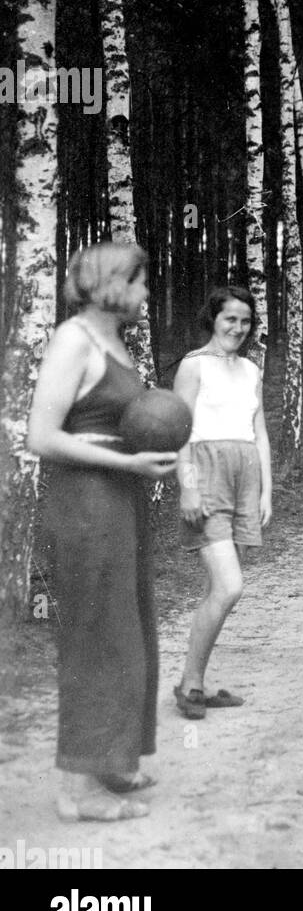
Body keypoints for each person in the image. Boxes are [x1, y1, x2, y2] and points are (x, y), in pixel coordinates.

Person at [27, 243, 176, 821]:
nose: (146, 294)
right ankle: (77, 789)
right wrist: (129, 464)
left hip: (121, 499)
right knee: (96, 632)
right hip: (87, 504)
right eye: (141, 284)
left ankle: (111, 759)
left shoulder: (114, 341)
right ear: (115, 284)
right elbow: (41, 435)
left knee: (127, 625)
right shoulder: (73, 340)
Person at [172, 285, 272, 719]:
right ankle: (190, 683)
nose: (238, 328)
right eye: (230, 318)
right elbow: (178, 432)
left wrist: (266, 489)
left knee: (222, 589)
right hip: (207, 475)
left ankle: (196, 680)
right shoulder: (194, 366)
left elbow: (260, 430)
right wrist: (188, 486)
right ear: (213, 318)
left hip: (245, 475)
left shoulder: (251, 369)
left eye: (246, 321)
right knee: (230, 587)